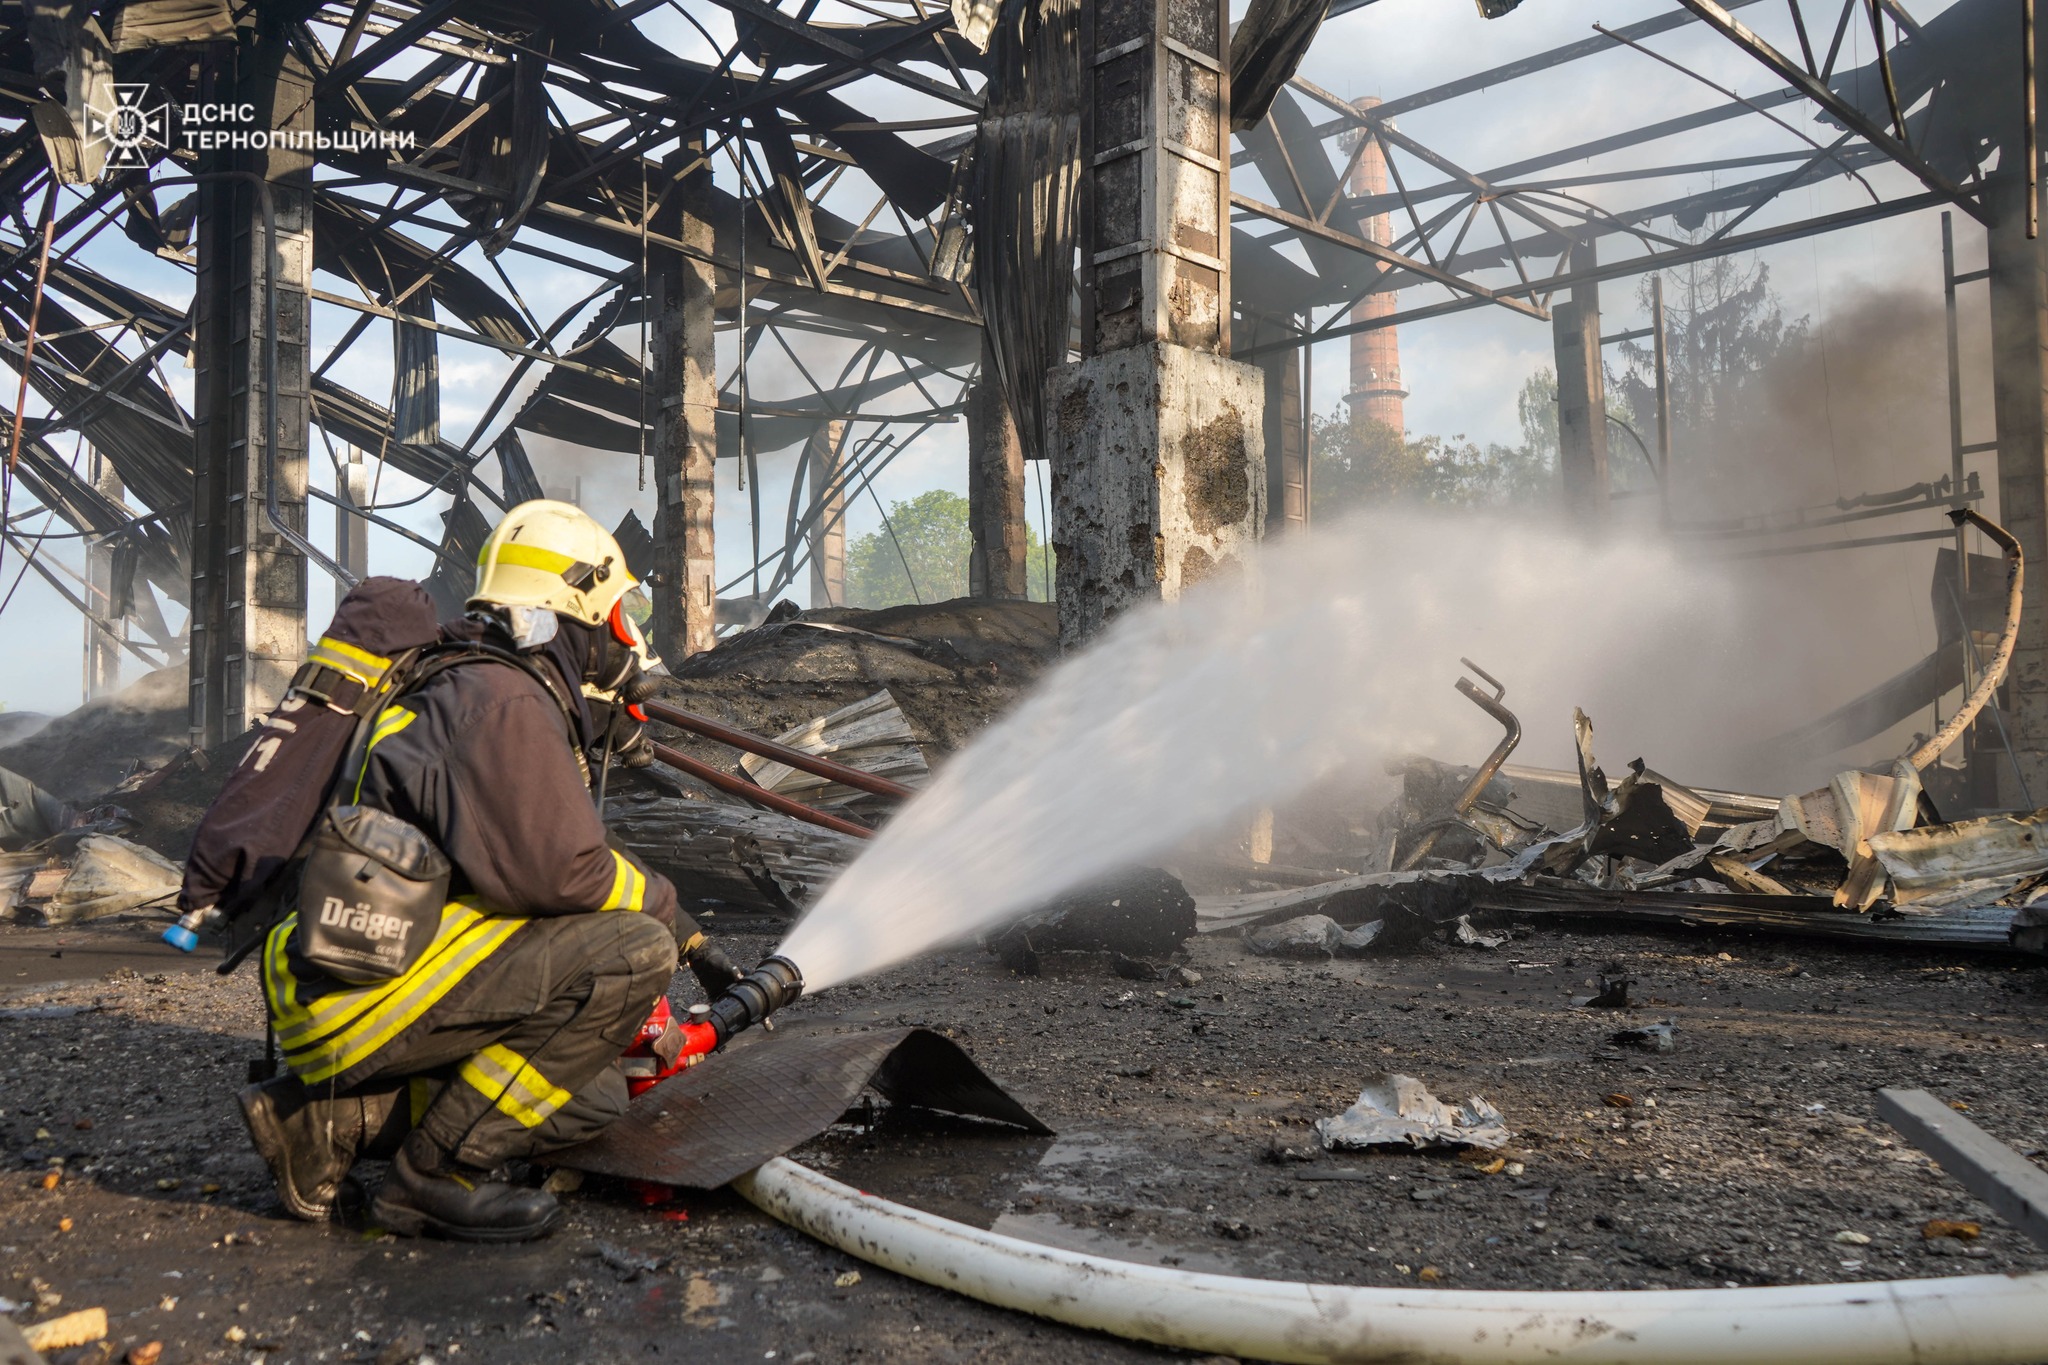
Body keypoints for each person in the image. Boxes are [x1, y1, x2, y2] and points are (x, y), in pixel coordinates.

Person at [235, 500, 739, 1241]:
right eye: (616, 611)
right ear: (576, 607)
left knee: (594, 1092)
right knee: (632, 953)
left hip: (359, 981)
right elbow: (566, 874)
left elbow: (539, 849)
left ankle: (325, 1122)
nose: (625, 635)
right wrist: (675, 925)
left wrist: (696, 938)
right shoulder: (500, 700)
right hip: (358, 993)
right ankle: (430, 1179)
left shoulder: (483, 684)